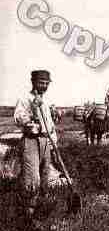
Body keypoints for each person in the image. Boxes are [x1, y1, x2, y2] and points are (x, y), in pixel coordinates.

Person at [14, 70, 65, 221]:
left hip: (45, 142)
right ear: (33, 82)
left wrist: (53, 142)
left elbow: (49, 125)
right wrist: (32, 110)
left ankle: (42, 211)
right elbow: (18, 118)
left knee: (44, 177)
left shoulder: (46, 101)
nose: (44, 86)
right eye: (41, 83)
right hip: (31, 141)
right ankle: (28, 215)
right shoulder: (25, 99)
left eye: (46, 83)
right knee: (32, 178)